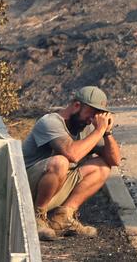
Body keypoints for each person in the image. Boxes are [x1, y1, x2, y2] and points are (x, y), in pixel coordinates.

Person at [22, 86, 121, 241]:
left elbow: (114, 160)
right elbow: (72, 154)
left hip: (55, 186)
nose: (93, 119)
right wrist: (98, 131)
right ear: (76, 105)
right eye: (92, 112)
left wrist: (107, 132)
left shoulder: (88, 128)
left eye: (98, 114)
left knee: (103, 166)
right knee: (60, 162)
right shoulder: (50, 122)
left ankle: (62, 217)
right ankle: (37, 217)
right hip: (26, 189)